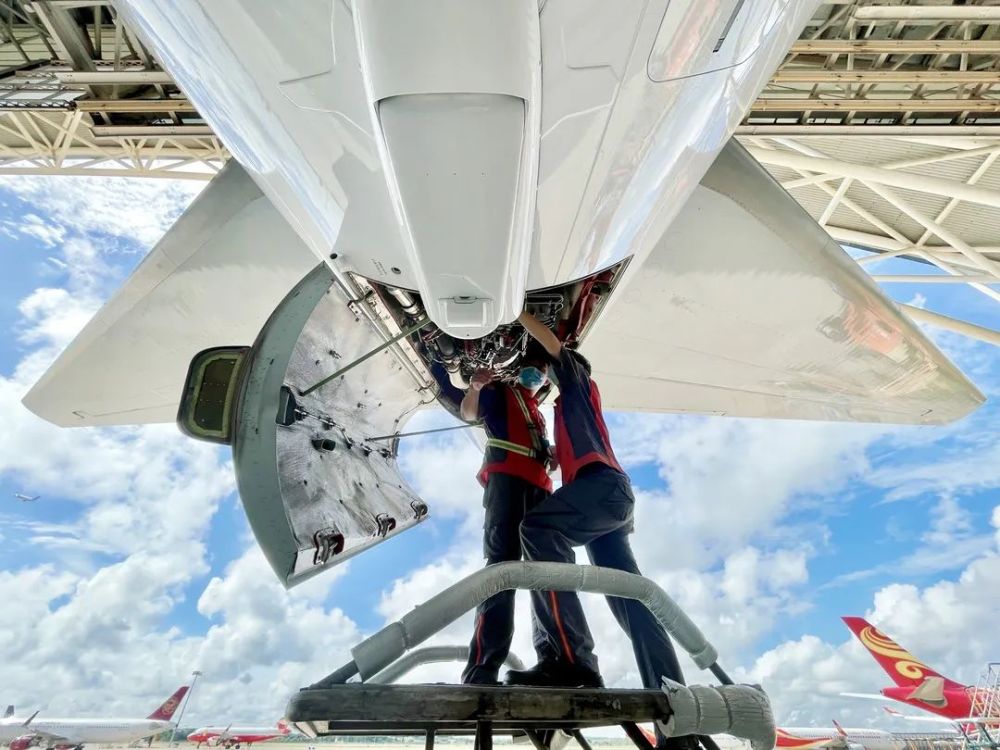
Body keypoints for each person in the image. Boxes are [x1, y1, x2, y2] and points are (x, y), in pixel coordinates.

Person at [505, 311, 686, 699]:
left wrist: (515, 310)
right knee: (630, 595)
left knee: (537, 530)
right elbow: (582, 446)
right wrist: (554, 453)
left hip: (601, 489)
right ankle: (670, 692)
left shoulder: (576, 380)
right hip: (609, 499)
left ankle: (570, 660)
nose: (545, 377)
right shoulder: (572, 407)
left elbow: (554, 345)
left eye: (548, 371)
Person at [453, 342, 557, 685]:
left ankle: (553, 661)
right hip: (508, 483)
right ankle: (482, 669)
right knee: (502, 568)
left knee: (547, 574)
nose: (536, 376)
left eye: (541, 373)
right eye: (532, 369)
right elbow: (470, 413)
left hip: (540, 487)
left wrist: (549, 454)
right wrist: (476, 387)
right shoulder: (502, 393)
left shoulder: (537, 413)